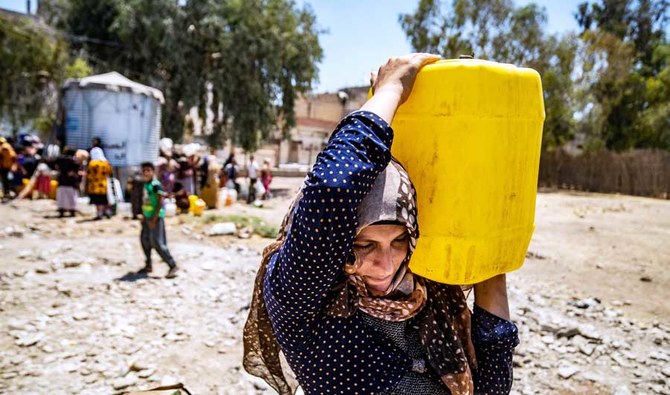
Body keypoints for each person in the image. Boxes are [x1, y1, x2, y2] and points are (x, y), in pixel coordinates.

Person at [243, 54, 519, 395]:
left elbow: (491, 384)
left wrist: (491, 255)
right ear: (335, 240)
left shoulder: (430, 294)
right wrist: (390, 89)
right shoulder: (303, 302)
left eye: (400, 240)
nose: (387, 265)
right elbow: (332, 190)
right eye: (364, 245)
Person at [138, 162, 178, 278]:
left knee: (158, 243)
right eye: (144, 171)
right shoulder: (146, 184)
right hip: (147, 217)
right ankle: (148, 265)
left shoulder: (156, 185)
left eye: (148, 170)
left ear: (153, 171)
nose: (146, 173)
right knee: (145, 240)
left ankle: (172, 265)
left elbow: (160, 202)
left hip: (155, 217)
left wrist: (154, 219)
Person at [55, 149, 85, 217]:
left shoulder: (60, 159)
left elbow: (54, 164)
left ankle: (61, 210)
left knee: (61, 197)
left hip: (61, 180)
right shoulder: (73, 160)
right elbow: (77, 167)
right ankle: (72, 211)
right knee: (71, 197)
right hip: (71, 181)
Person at [87, 147, 113, 220]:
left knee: (98, 201)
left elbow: (89, 175)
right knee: (105, 200)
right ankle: (108, 212)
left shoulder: (92, 163)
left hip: (95, 186)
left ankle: (99, 214)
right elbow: (110, 172)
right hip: (105, 185)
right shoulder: (106, 163)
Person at [0, 137, 18, 201]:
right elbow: (14, 157)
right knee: (7, 181)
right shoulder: (8, 147)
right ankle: (7, 194)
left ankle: (7, 194)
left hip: (5, 167)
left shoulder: (4, 147)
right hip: (7, 167)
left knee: (6, 182)